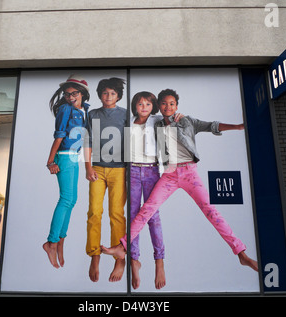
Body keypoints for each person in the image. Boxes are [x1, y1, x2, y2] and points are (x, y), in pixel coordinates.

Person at [101, 88, 258, 273]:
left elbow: (212, 125)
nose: (168, 107)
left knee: (211, 211)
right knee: (147, 210)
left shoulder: (187, 121)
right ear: (159, 106)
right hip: (169, 174)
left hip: (189, 173)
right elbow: (140, 120)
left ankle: (241, 253)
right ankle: (123, 247)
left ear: (177, 105)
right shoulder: (156, 123)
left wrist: (238, 126)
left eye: (172, 103)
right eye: (164, 103)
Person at [129, 91, 184, 290]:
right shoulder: (128, 124)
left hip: (152, 171)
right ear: (135, 105)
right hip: (132, 172)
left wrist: (179, 116)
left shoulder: (157, 121)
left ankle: (159, 261)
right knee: (134, 216)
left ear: (153, 106)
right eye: (140, 103)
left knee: (152, 217)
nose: (144, 107)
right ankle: (134, 259)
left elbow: (171, 115)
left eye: (148, 104)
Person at [42, 74, 90, 269]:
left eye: (74, 93)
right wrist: (50, 160)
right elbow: (59, 135)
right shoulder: (65, 109)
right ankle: (51, 243)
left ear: (83, 93)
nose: (70, 97)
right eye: (67, 94)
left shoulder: (85, 110)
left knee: (72, 200)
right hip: (64, 154)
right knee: (65, 199)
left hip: (74, 157)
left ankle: (60, 241)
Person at [84, 77, 127, 282]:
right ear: (100, 95)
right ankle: (94, 255)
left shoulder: (126, 115)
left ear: (118, 95)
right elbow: (87, 140)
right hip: (98, 169)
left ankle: (120, 257)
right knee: (94, 212)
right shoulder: (92, 114)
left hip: (120, 170)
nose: (108, 97)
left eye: (112, 93)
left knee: (116, 213)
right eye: (104, 93)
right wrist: (88, 167)